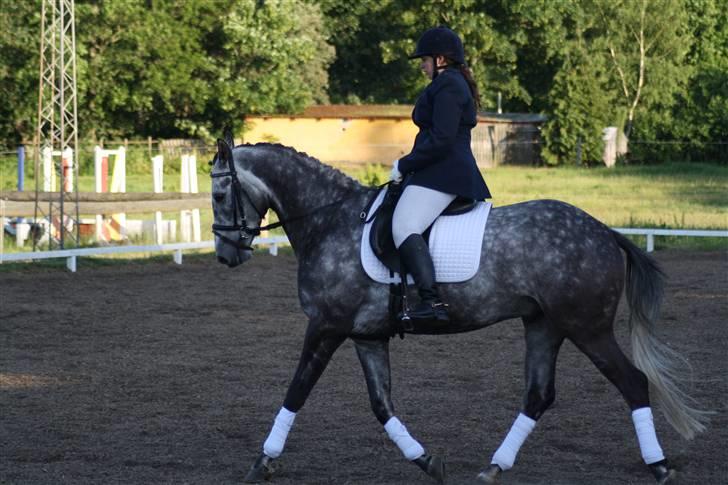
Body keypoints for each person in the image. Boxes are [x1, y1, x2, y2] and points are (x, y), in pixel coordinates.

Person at [390, 26, 491, 323]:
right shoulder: (450, 83)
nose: (421, 64)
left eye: (425, 59)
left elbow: (443, 139)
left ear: (441, 59)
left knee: (404, 225)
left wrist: (405, 164)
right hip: (437, 170)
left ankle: (430, 302)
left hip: (444, 172)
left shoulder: (449, 85)